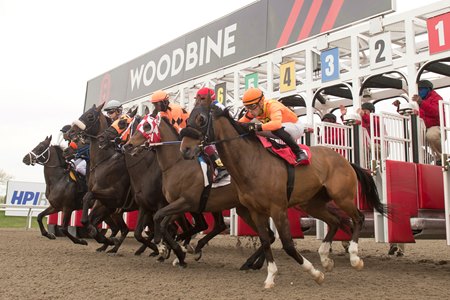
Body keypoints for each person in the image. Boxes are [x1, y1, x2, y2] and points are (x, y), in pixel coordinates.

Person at [238, 87, 307, 163]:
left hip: (296, 128)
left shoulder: (273, 106)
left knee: (274, 128)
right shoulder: (252, 110)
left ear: (261, 102)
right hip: (281, 129)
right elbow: (239, 124)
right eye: (247, 107)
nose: (250, 110)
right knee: (250, 129)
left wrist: (255, 126)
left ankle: (299, 152)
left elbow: (276, 124)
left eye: (252, 106)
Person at [195, 87, 228, 181]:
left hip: (223, 134)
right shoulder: (203, 109)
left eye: (201, 99)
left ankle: (221, 167)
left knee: (206, 146)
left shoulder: (218, 106)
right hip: (212, 135)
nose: (199, 102)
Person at [412, 80, 442, 165]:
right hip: (424, 128)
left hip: (436, 127)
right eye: (418, 90)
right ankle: (426, 157)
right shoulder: (418, 101)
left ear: (428, 89)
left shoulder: (436, 98)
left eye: (421, 89)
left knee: (431, 135)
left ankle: (440, 158)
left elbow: (436, 112)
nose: (419, 92)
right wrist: (399, 107)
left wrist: (422, 103)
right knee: (411, 136)